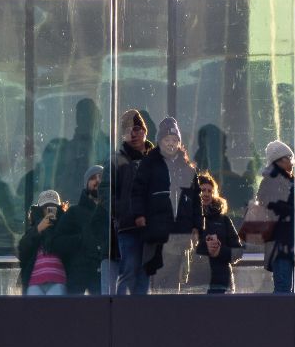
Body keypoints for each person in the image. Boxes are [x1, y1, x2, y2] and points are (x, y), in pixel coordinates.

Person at [245, 140, 295, 294]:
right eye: (289, 157)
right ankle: (280, 318)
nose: (292, 161)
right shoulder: (269, 183)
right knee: (284, 293)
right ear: (278, 160)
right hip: (281, 246)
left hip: (294, 244)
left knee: (293, 295)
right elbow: (276, 210)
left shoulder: (290, 183)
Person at [111, 109, 172, 295]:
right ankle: (120, 312)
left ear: (145, 130)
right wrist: (121, 212)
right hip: (127, 227)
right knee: (128, 270)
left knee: (145, 272)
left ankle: (140, 314)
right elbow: (107, 192)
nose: (133, 133)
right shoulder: (117, 160)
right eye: (128, 129)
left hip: (150, 227)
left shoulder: (157, 158)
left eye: (137, 128)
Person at [154, 117, 198, 293]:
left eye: (174, 140)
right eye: (167, 139)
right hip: (158, 233)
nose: (170, 143)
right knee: (157, 280)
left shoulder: (188, 169)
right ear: (160, 142)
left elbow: (196, 201)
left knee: (174, 283)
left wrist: (196, 226)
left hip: (180, 233)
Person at [54, 165, 109, 295]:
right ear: (86, 184)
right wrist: (81, 239)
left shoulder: (112, 212)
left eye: (101, 177)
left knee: (102, 312)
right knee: (73, 313)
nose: (97, 181)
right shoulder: (74, 213)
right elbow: (56, 242)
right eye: (93, 178)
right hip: (78, 275)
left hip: (103, 274)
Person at [190, 171, 241, 294]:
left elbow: (238, 251)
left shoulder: (224, 220)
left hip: (222, 283)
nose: (206, 194)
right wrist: (205, 248)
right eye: (203, 190)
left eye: (210, 191)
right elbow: (182, 249)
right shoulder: (188, 218)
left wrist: (219, 251)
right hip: (195, 283)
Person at [18, 190, 71, 296]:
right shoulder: (34, 228)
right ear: (40, 210)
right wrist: (38, 230)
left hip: (58, 280)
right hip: (34, 281)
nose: (49, 210)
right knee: (34, 311)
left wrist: (56, 229)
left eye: (53, 207)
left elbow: (69, 248)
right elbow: (23, 250)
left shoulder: (66, 226)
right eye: (46, 207)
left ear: (59, 208)